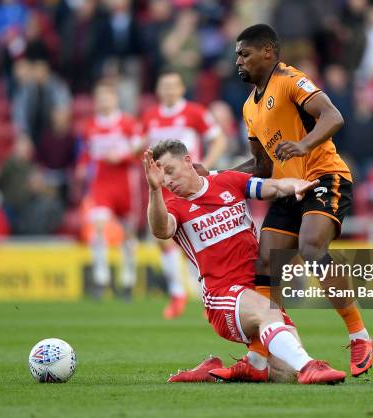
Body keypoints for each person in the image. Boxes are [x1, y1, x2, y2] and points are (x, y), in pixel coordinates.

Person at [226, 23, 373, 378]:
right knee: (265, 262)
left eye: (245, 54)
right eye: (236, 56)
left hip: (324, 176)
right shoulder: (249, 107)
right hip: (288, 189)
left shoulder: (291, 79)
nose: (238, 62)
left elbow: (333, 116)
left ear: (268, 52)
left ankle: (359, 335)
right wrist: (219, 176)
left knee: (311, 247)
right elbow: (262, 165)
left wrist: (304, 145)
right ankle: (258, 359)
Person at [144, 139, 346, 385]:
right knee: (269, 315)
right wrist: (154, 191)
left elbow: (273, 187)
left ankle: (218, 370)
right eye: (161, 176)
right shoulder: (173, 206)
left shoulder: (228, 181)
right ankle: (309, 366)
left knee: (286, 374)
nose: (166, 180)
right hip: (222, 296)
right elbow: (161, 230)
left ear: (187, 161)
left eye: (169, 171)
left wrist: (297, 185)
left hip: (257, 288)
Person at [142, 70, 227, 319]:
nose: (168, 90)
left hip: (191, 185)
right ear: (158, 90)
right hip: (166, 186)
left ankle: (208, 295)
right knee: (162, 236)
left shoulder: (195, 112)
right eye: (164, 85)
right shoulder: (150, 116)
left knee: (198, 237)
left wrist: (205, 166)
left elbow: (219, 139)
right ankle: (178, 293)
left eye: (173, 86)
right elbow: (138, 143)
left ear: (181, 89)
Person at [77, 79, 143, 299]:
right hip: (101, 184)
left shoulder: (128, 123)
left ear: (115, 99)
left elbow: (138, 149)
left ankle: (127, 281)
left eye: (108, 97)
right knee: (98, 228)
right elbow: (87, 152)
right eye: (100, 97)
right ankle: (101, 279)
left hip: (124, 183)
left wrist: (122, 156)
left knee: (127, 234)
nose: (104, 101)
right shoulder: (90, 127)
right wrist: (82, 165)